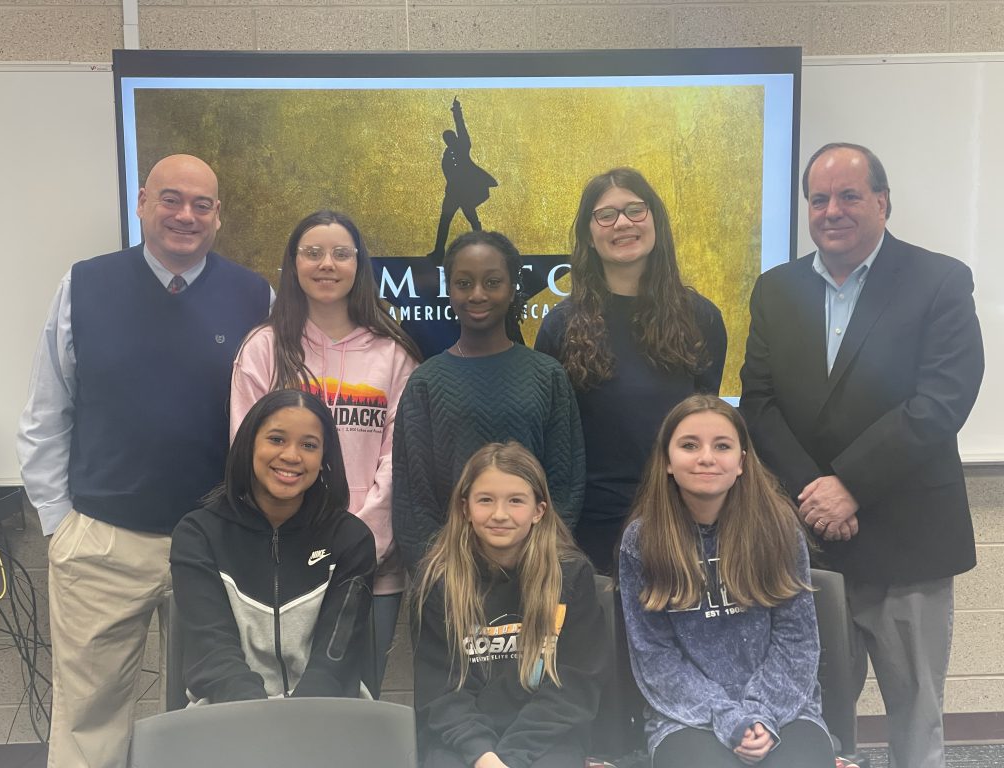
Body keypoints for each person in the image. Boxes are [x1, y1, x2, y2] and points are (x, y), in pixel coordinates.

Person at [16, 154, 271, 767]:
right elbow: (46, 409)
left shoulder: (252, 294)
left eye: (201, 204)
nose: (185, 215)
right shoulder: (85, 284)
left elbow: (268, 421)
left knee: (207, 720)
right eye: (170, 198)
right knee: (89, 720)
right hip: (103, 542)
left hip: (214, 546)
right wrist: (60, 523)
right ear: (141, 203)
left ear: (218, 216)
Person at [740, 142, 984, 768]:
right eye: (818, 199)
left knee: (916, 713)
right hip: (810, 542)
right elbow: (759, 404)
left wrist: (848, 484)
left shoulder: (940, 279)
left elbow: (942, 399)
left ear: (882, 201)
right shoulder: (775, 290)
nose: (832, 211)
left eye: (849, 195)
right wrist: (814, 493)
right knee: (813, 714)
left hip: (910, 540)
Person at [230, 209, 420, 691]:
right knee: (279, 705)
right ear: (293, 264)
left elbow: (398, 459)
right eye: (312, 253)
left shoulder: (393, 354)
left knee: (355, 705)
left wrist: (358, 544)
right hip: (280, 563)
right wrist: (296, 544)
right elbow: (246, 452)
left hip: (371, 569)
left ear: (360, 265)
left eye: (341, 253)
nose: (326, 264)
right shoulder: (264, 348)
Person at [619, 395, 834, 767]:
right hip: (684, 715)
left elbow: (798, 643)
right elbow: (654, 658)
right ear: (667, 461)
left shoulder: (779, 528)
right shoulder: (643, 540)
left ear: (741, 463)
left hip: (784, 708)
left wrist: (760, 713)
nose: (706, 457)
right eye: (689, 445)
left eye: (722, 446)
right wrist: (727, 716)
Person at [536, 167, 726, 574]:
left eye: (635, 210)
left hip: (680, 520)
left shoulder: (702, 319)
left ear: (655, 220)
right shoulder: (560, 326)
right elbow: (554, 440)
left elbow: (706, 427)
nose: (623, 223)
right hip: (589, 529)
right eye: (606, 215)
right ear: (589, 234)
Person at [393, 230, 584, 571]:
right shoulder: (426, 382)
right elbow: (414, 499)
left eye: (492, 282)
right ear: (449, 290)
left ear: (512, 290)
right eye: (464, 283)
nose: (477, 294)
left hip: (535, 571)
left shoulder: (547, 375)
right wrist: (438, 574)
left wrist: (542, 559)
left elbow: (565, 486)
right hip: (453, 576)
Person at [170, 389, 376, 703]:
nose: (292, 456)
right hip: (227, 716)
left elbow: (336, 660)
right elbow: (212, 654)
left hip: (325, 715)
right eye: (277, 439)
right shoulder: (198, 534)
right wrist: (262, 724)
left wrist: (296, 724)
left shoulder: (351, 539)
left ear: (324, 460)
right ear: (250, 445)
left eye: (309, 445)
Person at [412, 441, 605, 768]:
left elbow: (575, 687)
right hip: (463, 741)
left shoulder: (570, 576)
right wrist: (483, 756)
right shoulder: (439, 581)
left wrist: (512, 758)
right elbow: (439, 692)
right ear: (465, 509)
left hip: (546, 738)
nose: (499, 514)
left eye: (516, 501)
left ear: (538, 511)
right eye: (485, 500)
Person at [427, 96, 499, 264]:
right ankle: (438, 251)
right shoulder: (446, 155)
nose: (449, 140)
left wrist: (457, 112)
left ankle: (482, 246)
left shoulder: (463, 146)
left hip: (465, 192)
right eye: (446, 138)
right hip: (453, 193)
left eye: (450, 137)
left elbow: (461, 129)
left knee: (472, 219)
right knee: (445, 221)